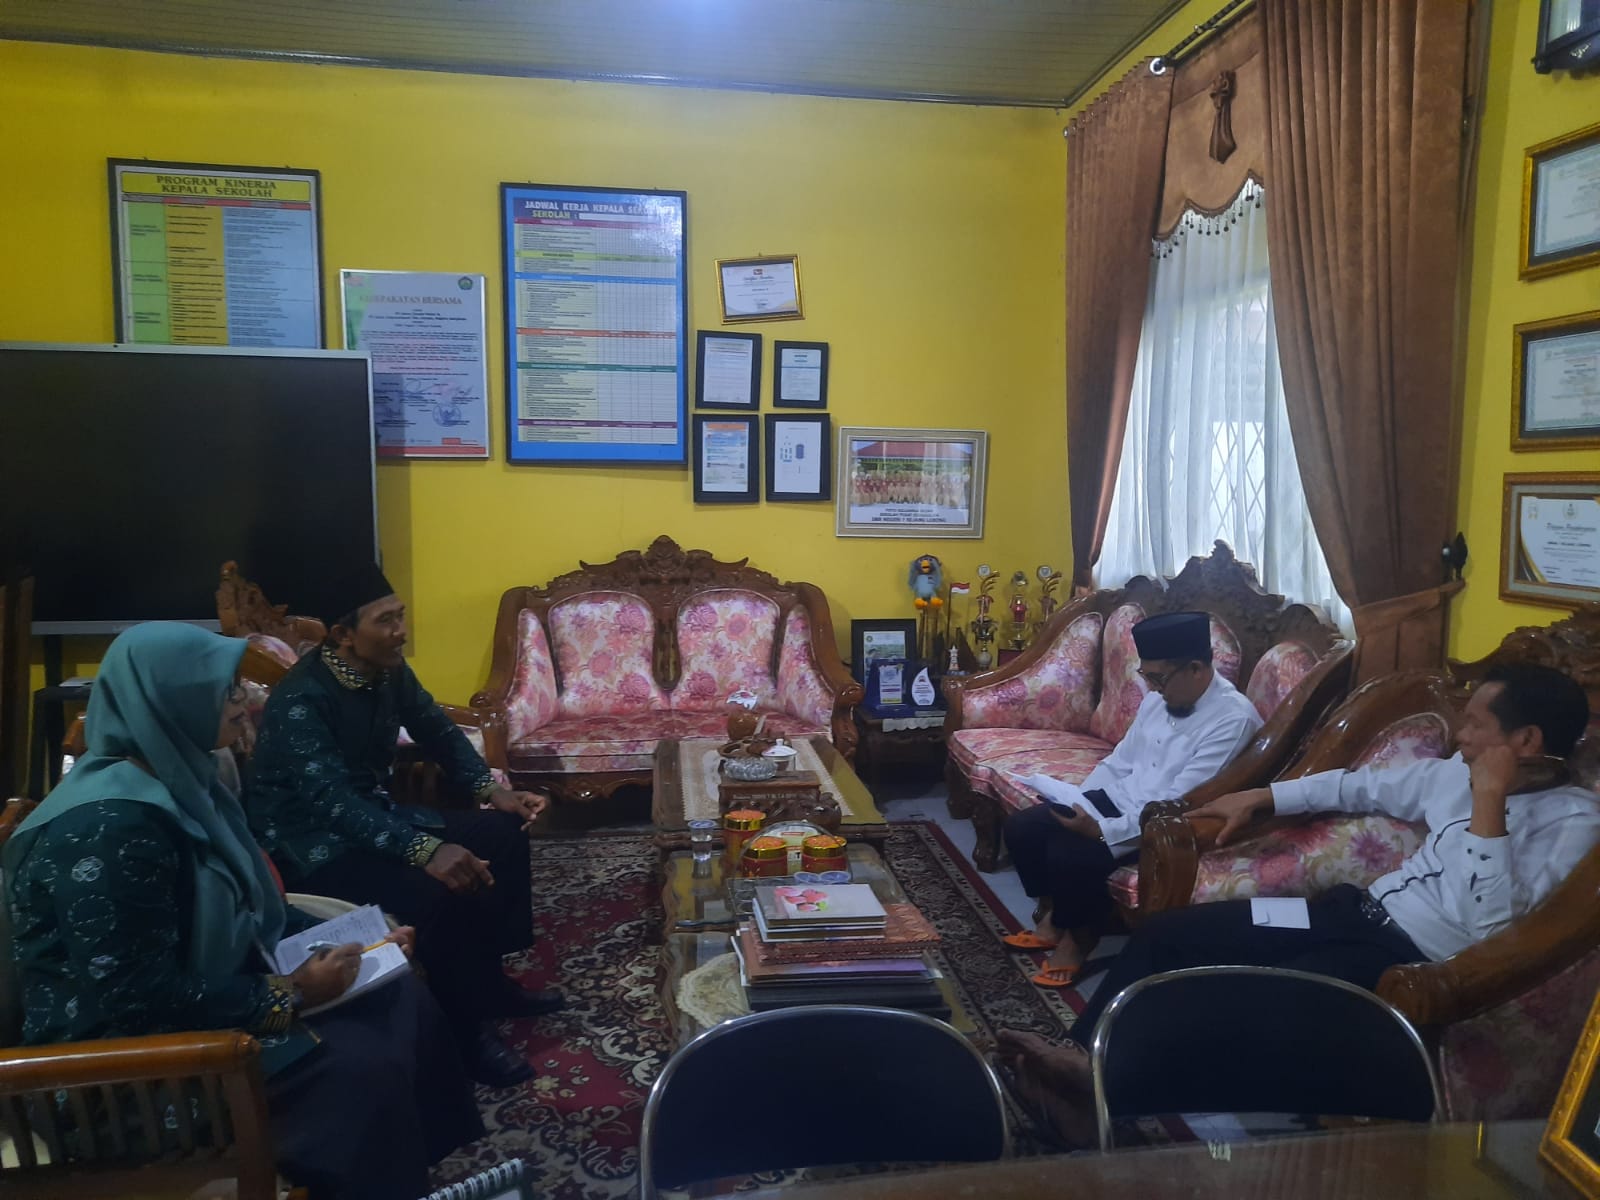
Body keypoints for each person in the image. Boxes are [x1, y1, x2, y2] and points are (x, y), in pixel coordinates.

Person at [998, 662, 1600, 1145]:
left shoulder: (1573, 824)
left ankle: (1104, 1094)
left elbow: (1489, 926)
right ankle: (1080, 1056)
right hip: (1347, 913)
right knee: (1168, 936)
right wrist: (1260, 797)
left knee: (1234, 1001)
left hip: (1405, 958)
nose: (1460, 736)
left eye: (1474, 725)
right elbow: (1352, 785)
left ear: (1525, 741)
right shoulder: (1451, 775)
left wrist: (1491, 803)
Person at [3, 624, 483, 1200]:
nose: (242, 700)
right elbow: (134, 995)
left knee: (396, 991)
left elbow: (250, 907)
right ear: (169, 698)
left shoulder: (182, 778)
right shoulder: (108, 830)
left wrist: (364, 940)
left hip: (196, 1006)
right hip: (119, 1072)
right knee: (360, 1071)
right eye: (225, 689)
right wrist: (291, 993)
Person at [247, 563, 559, 1088]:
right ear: (344, 635)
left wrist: (492, 792)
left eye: (401, 616)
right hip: (312, 846)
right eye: (387, 621)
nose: (402, 631)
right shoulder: (301, 698)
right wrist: (424, 850)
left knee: (501, 834)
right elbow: (331, 801)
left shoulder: (388, 669)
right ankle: (465, 1034)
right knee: (436, 889)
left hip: (376, 816)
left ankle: (490, 984)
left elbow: (436, 729)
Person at [1001, 611, 1263, 987]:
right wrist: (1080, 801)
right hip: (1120, 800)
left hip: (1165, 824)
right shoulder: (1159, 699)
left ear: (1195, 669)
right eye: (1147, 676)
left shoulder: (1233, 720)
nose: (1152, 688)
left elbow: (1182, 800)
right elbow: (1119, 761)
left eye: (1159, 678)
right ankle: (1057, 916)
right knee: (1023, 829)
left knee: (1069, 852)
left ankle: (1078, 939)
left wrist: (1101, 831)